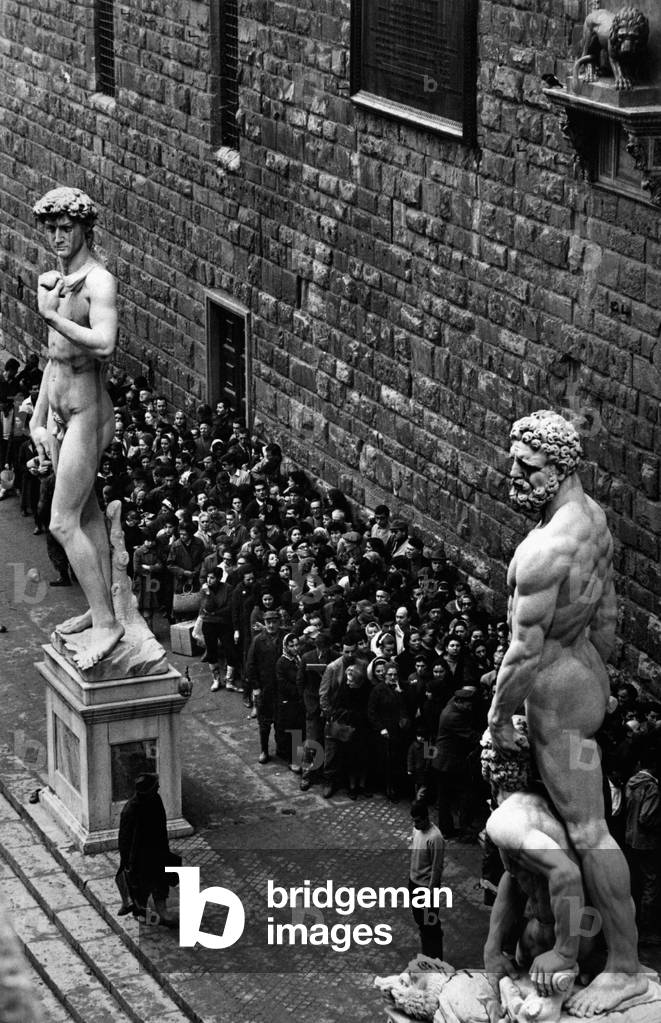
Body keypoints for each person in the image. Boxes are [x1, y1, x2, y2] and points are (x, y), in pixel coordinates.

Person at [488, 409, 645, 1015]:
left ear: (557, 467)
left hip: (556, 700)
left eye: (526, 465)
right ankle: (589, 944)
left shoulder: (543, 550)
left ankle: (624, 967)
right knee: (571, 829)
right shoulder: (592, 519)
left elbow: (523, 652)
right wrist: (598, 678)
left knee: (588, 832)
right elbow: (605, 612)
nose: (513, 473)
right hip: (584, 675)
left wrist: (498, 717)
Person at [30, 187, 124, 669]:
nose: (58, 237)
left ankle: (108, 624)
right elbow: (54, 359)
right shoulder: (54, 279)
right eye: (51, 229)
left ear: (86, 228)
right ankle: (99, 607)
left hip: (89, 414)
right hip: (61, 413)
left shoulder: (98, 282)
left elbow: (104, 344)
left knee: (62, 521)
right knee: (87, 518)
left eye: (66, 228)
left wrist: (50, 314)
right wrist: (38, 417)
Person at [116, 772, 179, 927]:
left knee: (160, 882)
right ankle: (140, 911)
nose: (159, 787)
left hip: (157, 850)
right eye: (156, 786)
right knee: (140, 887)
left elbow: (161, 826)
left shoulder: (156, 800)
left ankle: (162, 911)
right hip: (139, 857)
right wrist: (126, 862)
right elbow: (124, 840)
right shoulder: (131, 810)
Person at [409, 800, 445, 960]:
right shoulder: (416, 830)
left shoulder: (435, 838)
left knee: (431, 924)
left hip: (426, 887)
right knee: (421, 922)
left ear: (426, 818)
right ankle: (426, 955)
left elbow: (437, 867)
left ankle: (436, 958)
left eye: (418, 821)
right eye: (414, 821)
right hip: (414, 883)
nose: (415, 824)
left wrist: (430, 892)